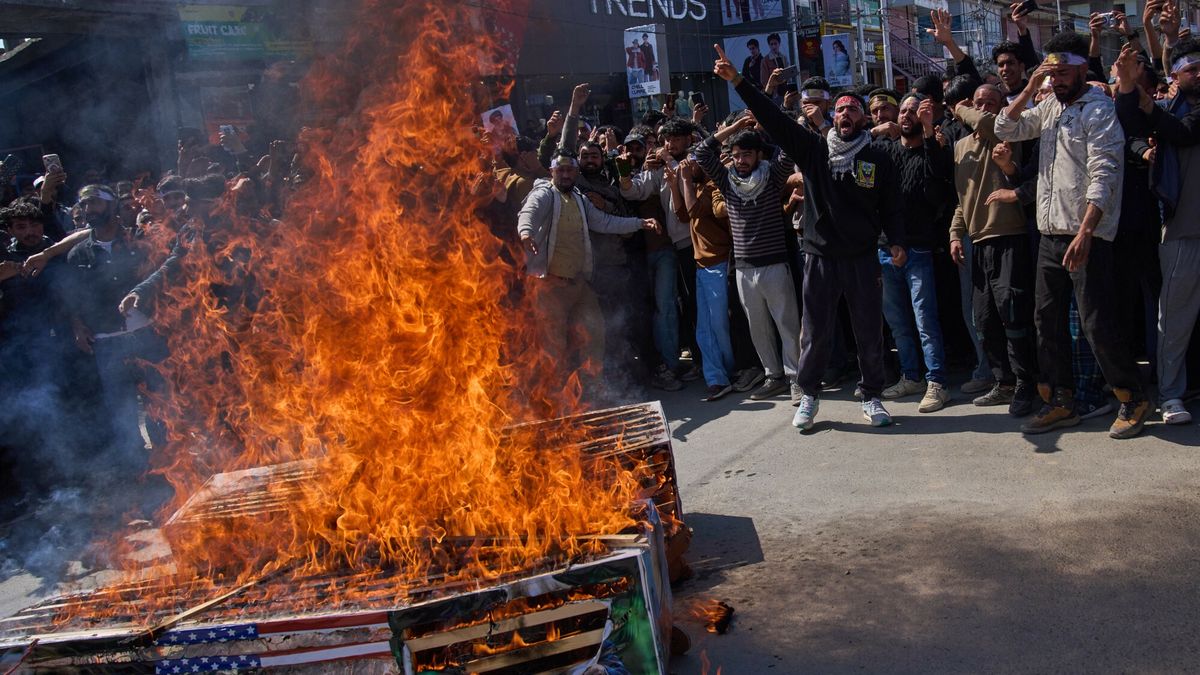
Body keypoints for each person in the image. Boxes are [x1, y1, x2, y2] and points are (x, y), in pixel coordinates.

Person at [713, 45, 905, 430]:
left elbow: (892, 205)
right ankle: (810, 396)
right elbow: (773, 118)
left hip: (862, 256)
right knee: (815, 332)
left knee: (868, 329)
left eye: (853, 109)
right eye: (841, 110)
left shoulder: (879, 156)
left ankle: (872, 396)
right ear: (832, 117)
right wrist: (738, 81)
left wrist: (896, 240)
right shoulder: (814, 149)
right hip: (818, 256)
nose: (846, 114)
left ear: (863, 118)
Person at [994, 33, 1151, 439]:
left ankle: (1131, 397)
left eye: (1063, 73)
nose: (1057, 80)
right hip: (1049, 235)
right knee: (1045, 322)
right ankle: (1062, 402)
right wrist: (1031, 86)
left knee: (1097, 322)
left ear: (1083, 69)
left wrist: (1086, 231)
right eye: (1052, 74)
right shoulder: (1048, 106)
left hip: (1087, 236)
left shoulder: (1098, 111)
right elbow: (1004, 128)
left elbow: (1105, 176)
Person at [517, 149, 661, 387]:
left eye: (569, 170)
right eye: (560, 170)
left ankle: (592, 391)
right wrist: (526, 232)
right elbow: (528, 213)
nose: (564, 174)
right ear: (552, 171)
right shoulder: (544, 193)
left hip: (578, 284)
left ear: (575, 172)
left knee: (595, 334)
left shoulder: (579, 199)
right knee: (554, 347)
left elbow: (604, 222)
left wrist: (639, 223)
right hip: (550, 287)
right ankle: (554, 397)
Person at [1114, 33, 1200, 425]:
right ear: (1177, 75)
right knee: (1175, 319)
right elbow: (1131, 123)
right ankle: (1171, 396)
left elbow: (1182, 131)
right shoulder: (1167, 108)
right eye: (1192, 70)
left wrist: (1144, 100)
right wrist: (1128, 85)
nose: (1199, 75)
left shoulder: (1172, 113)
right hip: (1183, 228)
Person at [695, 114, 801, 404]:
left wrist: (765, 126)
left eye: (747, 154)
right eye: (736, 155)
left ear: (758, 155)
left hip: (775, 264)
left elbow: (791, 146)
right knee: (758, 327)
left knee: (787, 324)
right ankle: (773, 375)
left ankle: (796, 379)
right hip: (744, 268)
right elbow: (702, 152)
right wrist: (733, 128)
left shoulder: (772, 177)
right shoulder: (727, 182)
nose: (741, 160)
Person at [950, 84, 1039, 417]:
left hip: (1009, 234)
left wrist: (961, 109)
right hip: (978, 240)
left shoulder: (1008, 133)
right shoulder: (961, 147)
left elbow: (990, 123)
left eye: (991, 103)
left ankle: (1025, 384)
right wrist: (956, 234)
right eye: (978, 103)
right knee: (984, 319)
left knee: (1013, 314)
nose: (984, 109)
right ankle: (1002, 382)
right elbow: (961, 197)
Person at [876, 93, 954, 413]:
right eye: (904, 110)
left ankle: (937, 382)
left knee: (925, 319)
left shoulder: (932, 151)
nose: (907, 114)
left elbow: (939, 186)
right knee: (897, 321)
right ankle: (911, 376)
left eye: (915, 110)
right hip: (885, 249)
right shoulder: (886, 152)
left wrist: (928, 130)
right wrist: (874, 132)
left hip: (918, 248)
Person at [619, 119, 702, 389]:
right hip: (652, 252)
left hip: (681, 245)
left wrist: (664, 159)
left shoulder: (682, 161)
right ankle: (669, 364)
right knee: (663, 309)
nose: (634, 153)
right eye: (628, 149)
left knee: (680, 306)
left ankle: (687, 363)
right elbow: (633, 191)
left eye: (639, 148)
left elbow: (683, 178)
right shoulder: (648, 170)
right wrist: (622, 170)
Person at [667, 156, 737, 401]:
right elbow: (683, 215)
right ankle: (717, 377)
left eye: (693, 163)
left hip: (718, 260)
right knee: (705, 329)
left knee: (719, 325)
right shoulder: (695, 186)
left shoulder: (713, 186)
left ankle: (730, 371)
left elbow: (695, 209)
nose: (688, 167)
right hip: (701, 265)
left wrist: (685, 179)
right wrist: (676, 184)